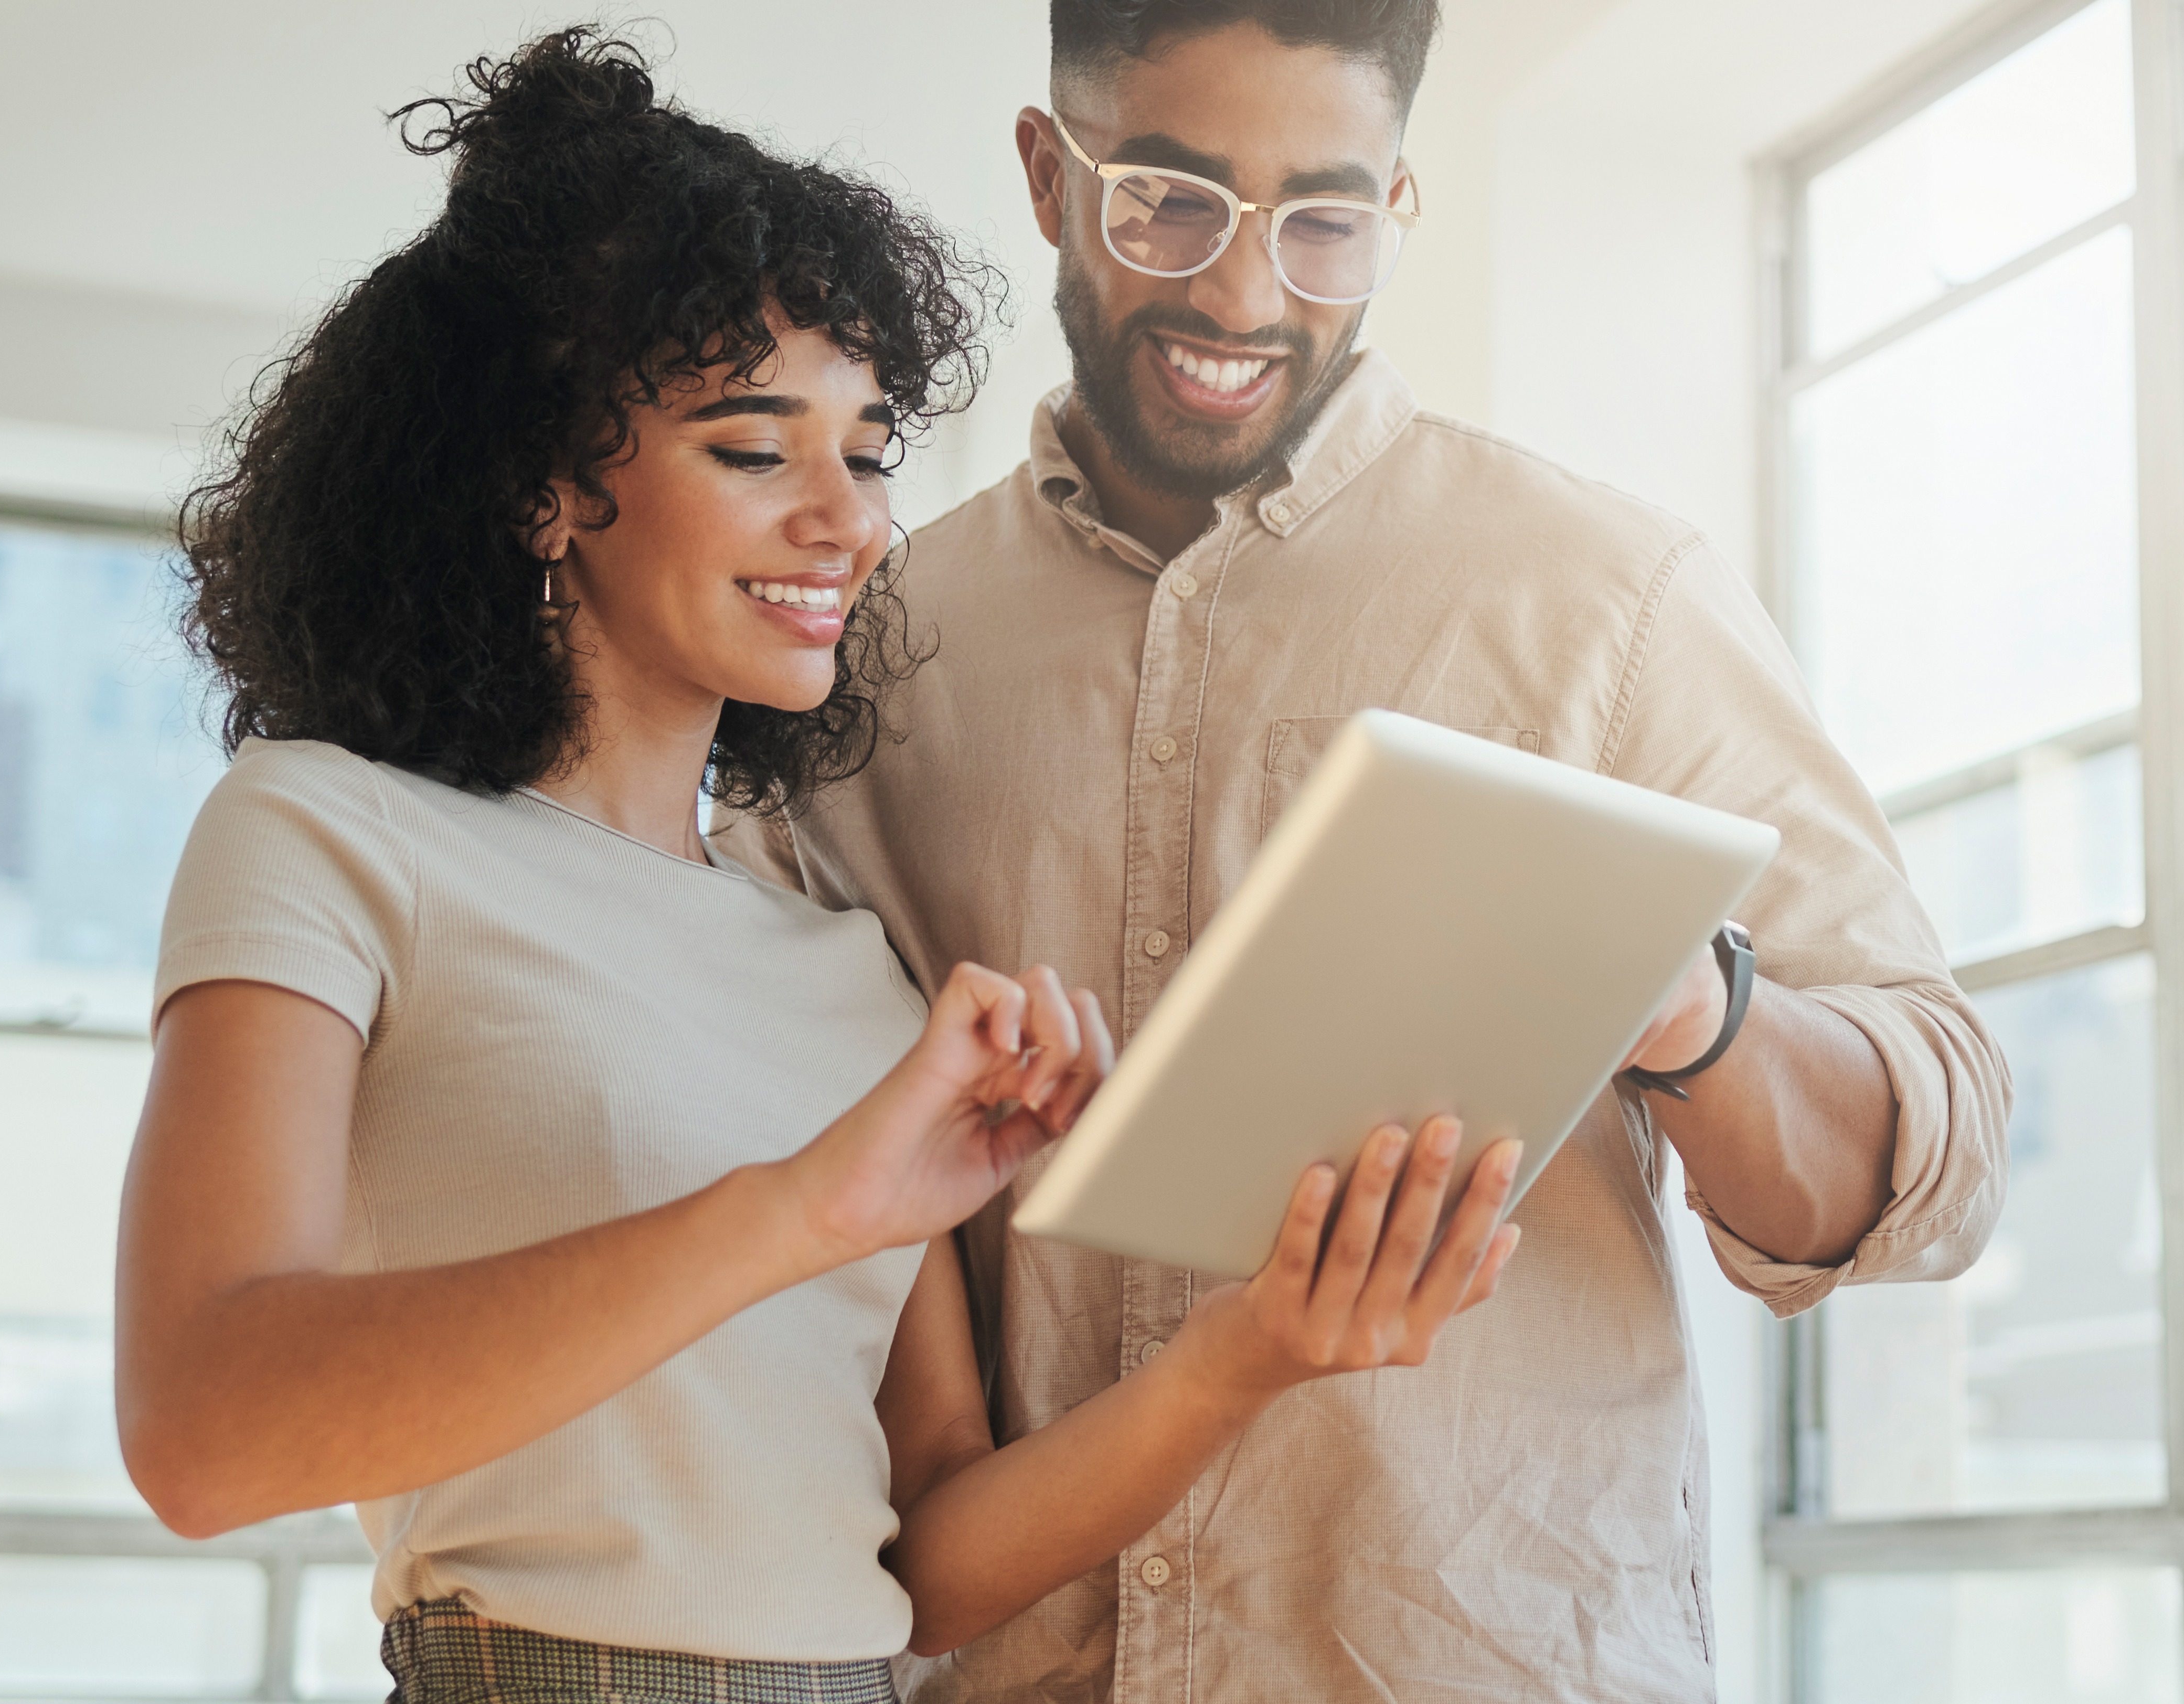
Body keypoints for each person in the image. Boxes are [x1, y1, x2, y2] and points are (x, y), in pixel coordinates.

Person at [116, 30, 1517, 1702]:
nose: (850, 522)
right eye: (753, 446)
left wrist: (1247, 1357)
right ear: (540, 485)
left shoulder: (841, 963)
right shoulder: (328, 834)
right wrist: (804, 1208)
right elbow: (203, 1431)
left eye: (865, 452)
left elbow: (922, 1561)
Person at [710, 3, 2014, 1698]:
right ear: (1049, 177)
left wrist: (1690, 1013)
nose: (1247, 298)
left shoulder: (1604, 601)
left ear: (1397, 204)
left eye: (1325, 220)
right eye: (1167, 201)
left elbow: (1940, 1166)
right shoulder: (867, 651)